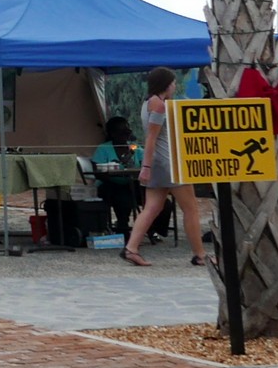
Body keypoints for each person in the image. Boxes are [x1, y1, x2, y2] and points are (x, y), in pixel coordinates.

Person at [124, 67, 210, 268]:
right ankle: (200, 254)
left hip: (158, 163)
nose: (174, 86)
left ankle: (131, 247)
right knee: (191, 208)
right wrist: (145, 166)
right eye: (172, 83)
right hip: (168, 162)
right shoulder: (159, 105)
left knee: (152, 207)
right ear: (166, 84)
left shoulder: (148, 103)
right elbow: (151, 138)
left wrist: (148, 165)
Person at [90, 114, 157, 240]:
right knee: (122, 197)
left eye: (128, 131)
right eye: (122, 132)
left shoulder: (134, 148)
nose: (126, 135)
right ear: (113, 133)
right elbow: (97, 171)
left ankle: (153, 228)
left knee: (159, 199)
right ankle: (123, 227)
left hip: (133, 183)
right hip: (110, 184)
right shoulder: (104, 148)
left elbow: (146, 164)